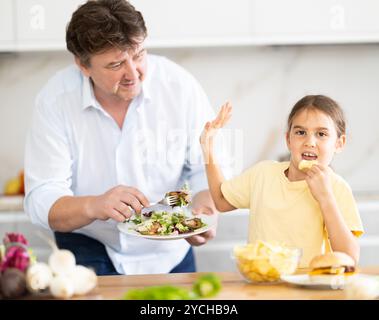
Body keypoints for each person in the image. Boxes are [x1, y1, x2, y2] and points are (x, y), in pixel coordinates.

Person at [24, 0, 225, 275]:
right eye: (116, 64)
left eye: (139, 55)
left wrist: (204, 212)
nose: (133, 74)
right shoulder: (55, 101)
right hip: (89, 245)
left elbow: (208, 168)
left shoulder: (180, 88)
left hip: (172, 247)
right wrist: (95, 205)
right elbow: (42, 198)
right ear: (83, 65)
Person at [200, 95, 364, 267]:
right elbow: (220, 200)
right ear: (288, 140)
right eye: (301, 132)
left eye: (321, 134)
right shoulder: (262, 174)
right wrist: (208, 146)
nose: (310, 142)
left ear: (339, 143)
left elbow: (349, 257)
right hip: (262, 286)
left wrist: (325, 198)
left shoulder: (337, 188)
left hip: (310, 289)